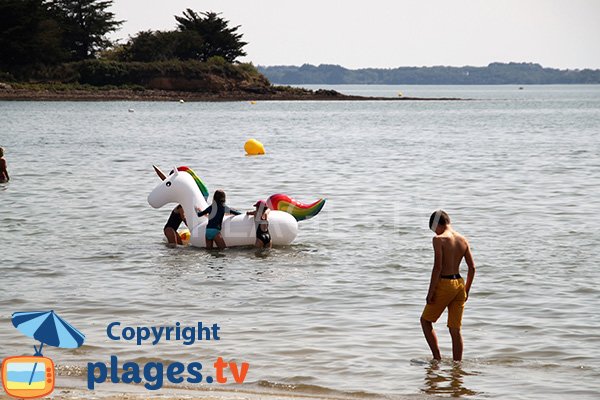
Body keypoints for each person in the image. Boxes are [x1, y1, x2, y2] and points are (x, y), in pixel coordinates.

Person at [421, 210, 476, 362]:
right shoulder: (463, 240)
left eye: (433, 228)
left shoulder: (439, 239)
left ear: (437, 224)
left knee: (425, 321)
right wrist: (466, 291)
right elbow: (472, 268)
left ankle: (436, 358)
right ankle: (457, 365)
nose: (434, 232)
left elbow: (437, 267)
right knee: (455, 329)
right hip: (459, 284)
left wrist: (430, 292)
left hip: (445, 283)